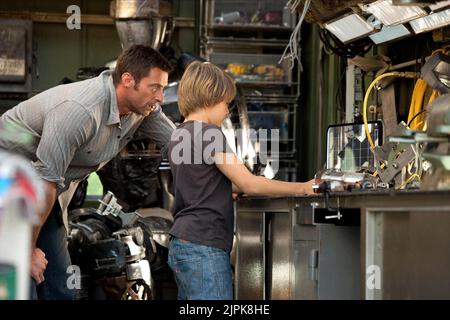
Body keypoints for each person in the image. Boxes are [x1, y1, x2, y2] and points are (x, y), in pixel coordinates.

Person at [0, 45, 175, 299]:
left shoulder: (141, 110)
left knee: (61, 287)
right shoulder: (79, 112)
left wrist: (228, 174)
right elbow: (46, 182)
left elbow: (180, 143)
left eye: (163, 89)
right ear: (128, 80)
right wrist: (27, 251)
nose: (160, 97)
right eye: (155, 87)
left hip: (43, 193)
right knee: (21, 284)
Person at [167, 61, 316, 300]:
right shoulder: (209, 133)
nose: (227, 112)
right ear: (210, 97)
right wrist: (303, 188)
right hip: (205, 244)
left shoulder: (179, 133)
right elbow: (249, 183)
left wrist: (229, 188)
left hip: (183, 243)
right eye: (225, 103)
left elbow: (203, 179)